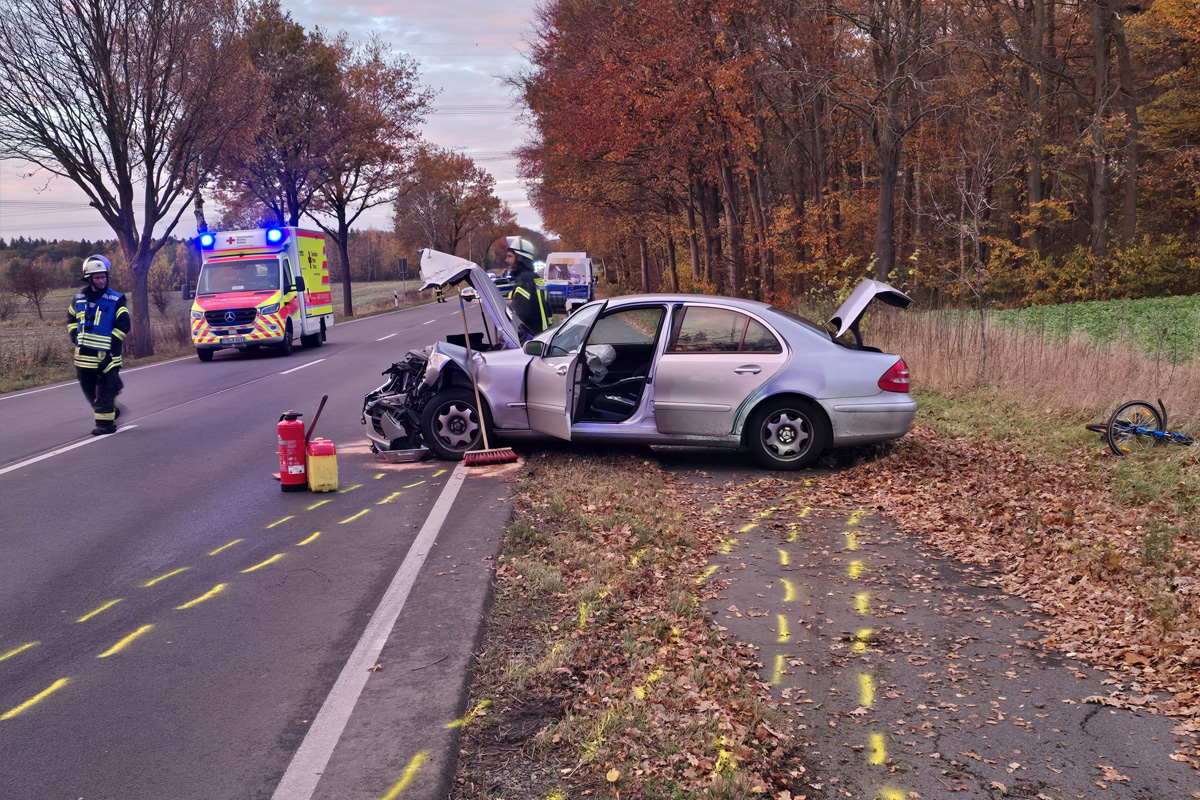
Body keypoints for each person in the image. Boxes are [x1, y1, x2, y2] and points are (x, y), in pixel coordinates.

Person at [67, 255, 130, 435]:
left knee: (106, 389)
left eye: (104, 277)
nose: (102, 280)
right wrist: (73, 334)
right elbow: (71, 318)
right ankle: (110, 410)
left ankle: (105, 425)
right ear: (89, 279)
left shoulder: (116, 299)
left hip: (106, 358)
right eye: (97, 277)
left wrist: (111, 354)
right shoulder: (79, 297)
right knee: (91, 394)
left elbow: (123, 326)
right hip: (83, 358)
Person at [504, 236, 550, 339]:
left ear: (519, 258)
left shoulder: (523, 280)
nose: (506, 260)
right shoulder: (536, 278)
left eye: (509, 256)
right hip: (543, 335)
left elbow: (517, 317)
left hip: (530, 339)